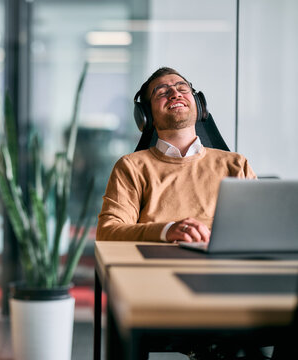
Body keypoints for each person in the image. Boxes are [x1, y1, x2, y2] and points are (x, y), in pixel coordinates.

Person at [96, 67, 256, 243]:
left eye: (182, 88)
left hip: (223, 265)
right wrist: (166, 230)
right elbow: (108, 232)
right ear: (147, 116)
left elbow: (262, 225)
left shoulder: (237, 165)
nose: (175, 94)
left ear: (199, 104)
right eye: (162, 92)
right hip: (157, 266)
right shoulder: (131, 167)